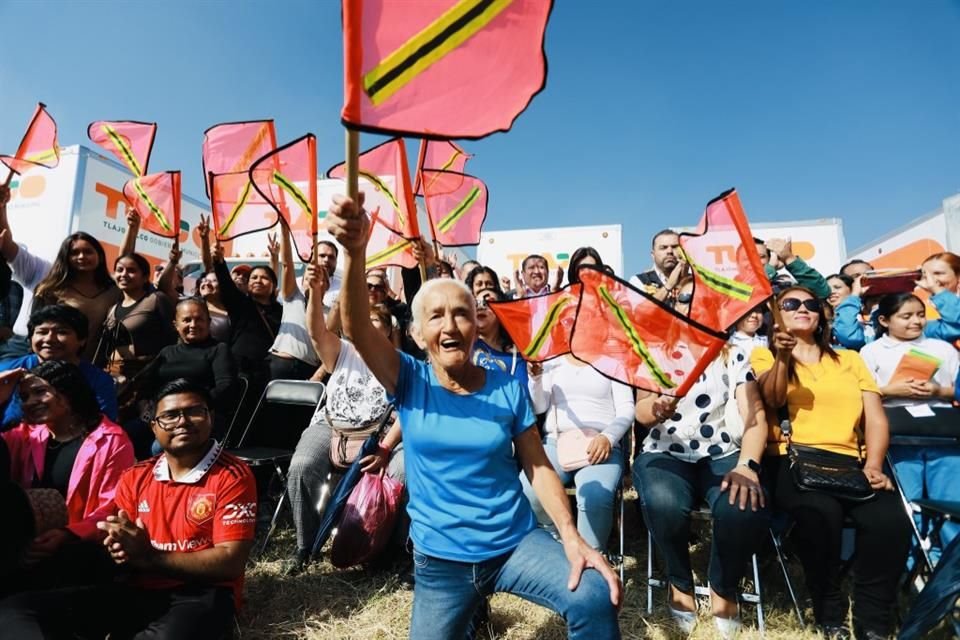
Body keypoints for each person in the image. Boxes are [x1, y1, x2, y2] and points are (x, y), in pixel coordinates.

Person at [326, 193, 621, 640]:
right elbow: (355, 327)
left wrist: (571, 536)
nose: (450, 325)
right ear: (419, 334)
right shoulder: (409, 379)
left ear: (476, 325)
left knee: (593, 595)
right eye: (437, 316)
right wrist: (354, 252)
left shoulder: (506, 386)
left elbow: (539, 466)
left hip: (514, 544)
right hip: (440, 565)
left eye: (462, 314)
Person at [0, 379, 257, 638]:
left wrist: (150, 557)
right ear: (153, 427)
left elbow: (230, 562)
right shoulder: (137, 475)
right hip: (137, 586)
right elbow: (114, 533)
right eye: (169, 416)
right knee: (16, 611)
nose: (183, 421)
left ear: (210, 417)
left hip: (201, 593)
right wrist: (116, 546)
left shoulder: (232, 475)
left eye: (194, 412)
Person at [752, 286, 911, 639]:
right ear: (776, 315)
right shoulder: (763, 357)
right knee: (820, 518)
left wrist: (874, 464)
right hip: (795, 462)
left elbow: (875, 418)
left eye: (811, 303)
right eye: (791, 304)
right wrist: (781, 357)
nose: (803, 308)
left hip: (851, 464)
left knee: (891, 523)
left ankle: (874, 622)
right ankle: (829, 613)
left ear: (822, 314)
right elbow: (772, 397)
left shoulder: (850, 360)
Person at [634, 276, 770, 637]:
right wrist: (657, 408)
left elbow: (755, 417)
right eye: (683, 301)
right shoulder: (653, 352)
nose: (691, 308)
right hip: (665, 451)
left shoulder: (734, 354)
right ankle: (679, 581)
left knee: (742, 506)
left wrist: (748, 466)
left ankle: (723, 586)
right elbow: (642, 413)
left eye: (700, 302)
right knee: (664, 504)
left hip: (722, 453)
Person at [284, 264, 403, 575]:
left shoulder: (401, 363)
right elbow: (316, 331)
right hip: (332, 426)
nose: (369, 327)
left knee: (403, 470)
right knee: (302, 465)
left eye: (376, 322)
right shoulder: (341, 351)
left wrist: (386, 448)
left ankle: (386, 549)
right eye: (364, 322)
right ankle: (305, 544)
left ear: (389, 331)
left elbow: (408, 411)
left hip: (382, 435)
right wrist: (315, 292)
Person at [0, 361, 134, 588]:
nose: (30, 402)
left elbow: (113, 505)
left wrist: (67, 534)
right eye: (24, 397)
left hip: (80, 547)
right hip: (25, 542)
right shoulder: (24, 436)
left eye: (40, 392)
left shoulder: (111, 440)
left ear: (68, 391)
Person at [859, 293, 960, 556]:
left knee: (951, 504)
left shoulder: (943, 348)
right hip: (897, 439)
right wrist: (890, 390)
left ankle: (951, 569)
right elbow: (861, 395)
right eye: (906, 316)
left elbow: (956, 390)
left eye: (920, 315)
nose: (916, 321)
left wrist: (937, 392)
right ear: (884, 320)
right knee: (908, 503)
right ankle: (917, 563)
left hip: (944, 438)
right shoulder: (870, 352)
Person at [522, 350, 632, 553]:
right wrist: (536, 378)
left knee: (595, 496)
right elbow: (539, 407)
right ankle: (556, 540)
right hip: (558, 441)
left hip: (601, 443)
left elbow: (626, 410)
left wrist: (608, 437)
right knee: (529, 489)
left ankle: (592, 557)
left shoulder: (613, 361)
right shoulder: (552, 361)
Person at [1, 304, 118, 429]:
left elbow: (102, 426)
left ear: (82, 340)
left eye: (62, 332)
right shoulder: (7, 372)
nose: (49, 339)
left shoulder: (98, 380)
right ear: (30, 338)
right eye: (42, 332)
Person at [141, 297, 238, 443]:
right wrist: (147, 409)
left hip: (199, 419)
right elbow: (146, 386)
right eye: (187, 320)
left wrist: (190, 408)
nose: (193, 325)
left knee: (157, 448)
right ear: (176, 325)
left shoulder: (218, 350)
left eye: (199, 319)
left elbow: (225, 387)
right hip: (163, 416)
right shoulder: (166, 353)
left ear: (209, 322)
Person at [211, 242, 281, 388]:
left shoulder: (281, 312)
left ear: (274, 286)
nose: (258, 281)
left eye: (264, 278)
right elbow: (225, 283)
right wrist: (219, 261)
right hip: (238, 372)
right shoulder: (240, 304)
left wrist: (275, 258)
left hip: (267, 375)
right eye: (254, 277)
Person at [266, 228, 320, 381]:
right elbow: (287, 265)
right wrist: (285, 230)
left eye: (319, 276)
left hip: (309, 370)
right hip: (280, 363)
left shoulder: (329, 311)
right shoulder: (293, 296)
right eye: (310, 273)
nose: (314, 277)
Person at [473, 288, 528, 386]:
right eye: (476, 303)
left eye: (487, 303)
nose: (480, 308)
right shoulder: (463, 346)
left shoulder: (516, 358)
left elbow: (521, 397)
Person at [629, 229, 682, 300]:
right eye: (663, 248)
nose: (670, 251)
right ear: (653, 255)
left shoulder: (695, 282)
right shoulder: (638, 281)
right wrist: (669, 285)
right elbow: (641, 310)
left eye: (675, 247)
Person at [194, 270, 231, 342]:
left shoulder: (234, 309)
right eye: (205, 280)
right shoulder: (193, 308)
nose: (207, 283)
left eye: (214, 281)